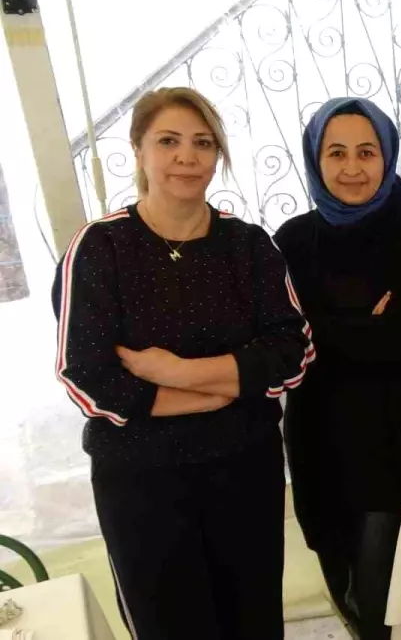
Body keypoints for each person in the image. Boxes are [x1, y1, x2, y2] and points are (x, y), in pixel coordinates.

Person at [51, 87, 313, 640]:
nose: (187, 157)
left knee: (254, 622)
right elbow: (88, 376)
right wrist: (220, 391)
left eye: (203, 143)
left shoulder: (249, 245)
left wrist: (176, 373)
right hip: (141, 483)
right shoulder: (101, 248)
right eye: (168, 141)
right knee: (169, 626)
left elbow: (292, 352)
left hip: (245, 472)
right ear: (139, 150)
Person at [273, 97, 401, 640]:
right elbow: (282, 346)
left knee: (381, 594)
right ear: (315, 158)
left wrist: (321, 328)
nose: (352, 168)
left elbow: (395, 340)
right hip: (318, 437)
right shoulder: (290, 242)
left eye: (367, 152)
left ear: (387, 157)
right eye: (337, 152)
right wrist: (358, 323)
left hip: (393, 434)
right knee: (339, 573)